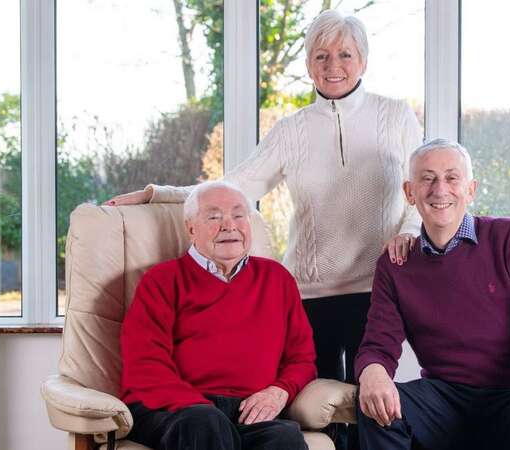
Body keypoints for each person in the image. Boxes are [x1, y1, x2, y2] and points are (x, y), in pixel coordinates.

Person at [109, 10, 422, 449]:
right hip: (312, 288)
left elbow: (422, 184)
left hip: (377, 283)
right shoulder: (292, 130)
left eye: (345, 54)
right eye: (321, 55)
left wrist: (408, 230)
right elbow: (232, 189)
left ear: (363, 61)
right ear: (308, 65)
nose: (334, 65)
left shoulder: (395, 116)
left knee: (369, 403)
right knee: (323, 409)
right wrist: (157, 193)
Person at [354, 138, 510, 450]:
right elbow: (377, 345)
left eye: (451, 178)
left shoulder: (509, 238)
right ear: (410, 192)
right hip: (444, 400)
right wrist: (373, 374)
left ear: (471, 189)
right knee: (375, 407)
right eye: (427, 178)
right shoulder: (396, 264)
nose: (440, 189)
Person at [120, 181, 316, 450]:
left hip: (247, 410)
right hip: (172, 408)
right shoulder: (162, 281)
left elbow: (302, 359)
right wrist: (202, 407)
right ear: (191, 229)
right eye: (214, 217)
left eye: (238, 215)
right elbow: (145, 365)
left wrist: (278, 391)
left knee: (285, 438)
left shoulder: (277, 279)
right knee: (205, 423)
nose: (229, 225)